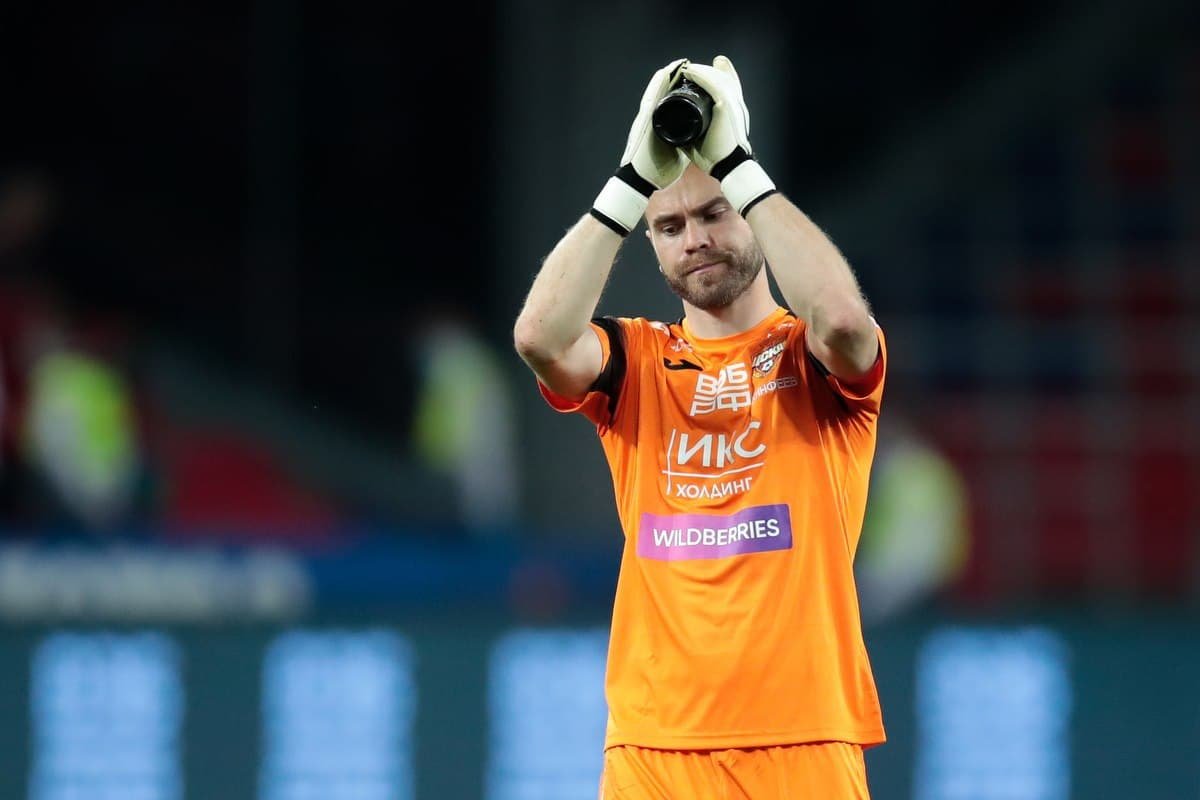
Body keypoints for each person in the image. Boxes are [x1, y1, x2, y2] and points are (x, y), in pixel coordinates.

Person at [513, 56, 888, 798]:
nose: (694, 240)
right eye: (669, 226)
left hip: (803, 740)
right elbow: (540, 339)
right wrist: (629, 183)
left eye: (715, 213)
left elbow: (845, 322)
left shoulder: (807, 354)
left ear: (748, 208)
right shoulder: (636, 361)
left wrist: (739, 167)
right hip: (653, 748)